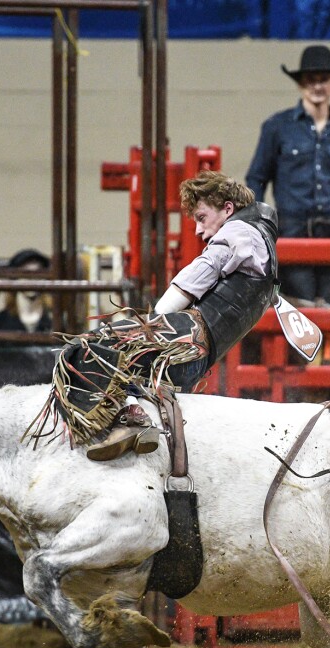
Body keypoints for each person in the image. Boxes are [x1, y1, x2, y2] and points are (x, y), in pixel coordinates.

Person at [48, 171, 277, 460]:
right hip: (195, 359)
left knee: (87, 348)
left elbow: (189, 284)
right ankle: (133, 413)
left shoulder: (236, 234)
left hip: (183, 346)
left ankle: (129, 419)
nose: (198, 230)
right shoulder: (264, 247)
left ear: (228, 209)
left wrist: (151, 322)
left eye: (202, 217)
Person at [245, 44, 330, 308]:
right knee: (299, 306)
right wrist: (259, 222)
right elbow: (256, 177)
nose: (317, 86)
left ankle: (326, 339)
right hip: (292, 227)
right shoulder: (277, 127)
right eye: (310, 80)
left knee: (329, 307)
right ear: (300, 84)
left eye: (324, 79)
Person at [0, 247, 53, 333]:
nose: (32, 279)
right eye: (25, 274)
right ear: (14, 279)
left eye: (38, 274)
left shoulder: (57, 321)